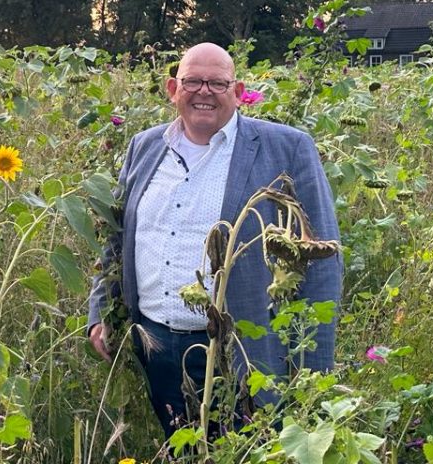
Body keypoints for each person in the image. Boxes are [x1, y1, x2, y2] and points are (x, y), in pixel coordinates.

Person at [87, 43, 342, 436]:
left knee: (246, 451)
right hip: (156, 347)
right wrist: (101, 312)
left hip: (242, 352)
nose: (204, 91)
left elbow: (320, 258)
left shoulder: (286, 148)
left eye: (218, 83)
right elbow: (117, 241)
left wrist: (312, 368)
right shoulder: (144, 146)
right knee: (182, 449)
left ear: (238, 91)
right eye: (192, 81)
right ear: (173, 89)